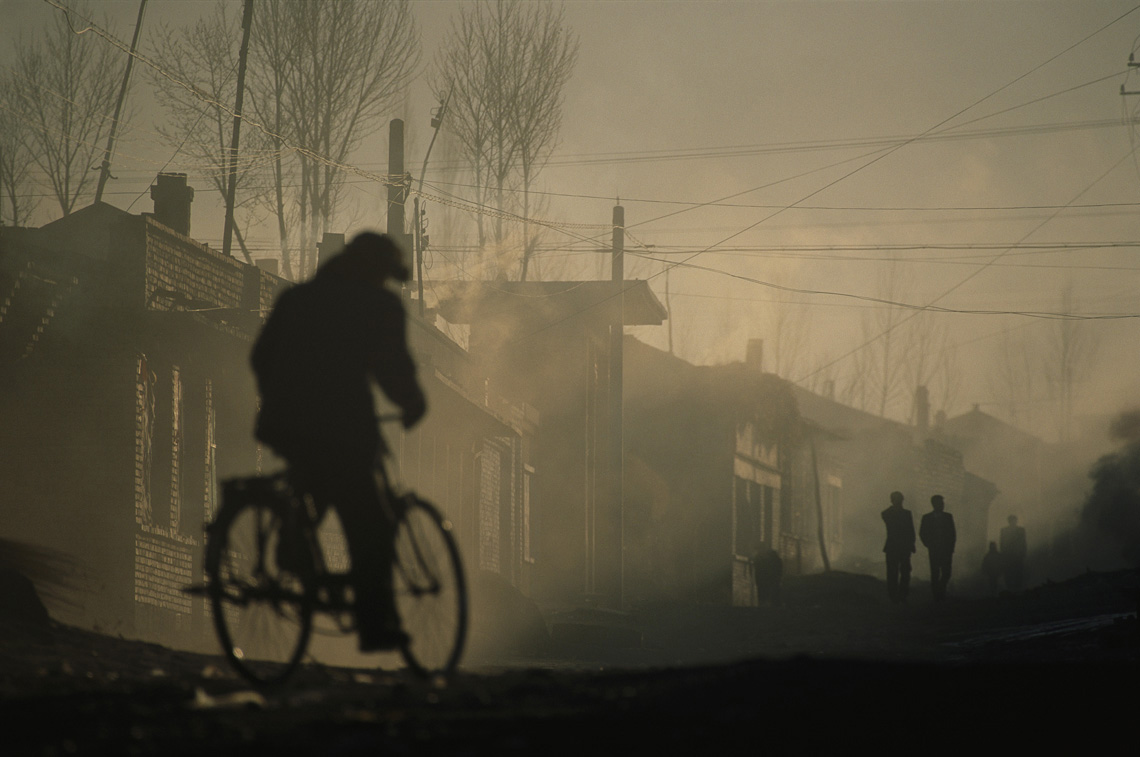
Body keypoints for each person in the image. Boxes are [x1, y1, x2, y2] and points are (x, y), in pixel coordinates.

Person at [251, 231, 427, 652]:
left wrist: (281, 401)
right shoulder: (378, 306)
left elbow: (261, 357)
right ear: (379, 271)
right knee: (372, 525)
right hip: (344, 430)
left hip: (284, 423)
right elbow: (391, 368)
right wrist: (412, 403)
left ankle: (293, 544)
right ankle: (374, 625)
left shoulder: (298, 299)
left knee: (319, 487)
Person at [919, 494, 956, 602]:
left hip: (946, 550)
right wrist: (928, 544)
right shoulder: (926, 518)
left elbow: (952, 534)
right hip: (934, 549)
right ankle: (937, 595)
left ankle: (940, 590)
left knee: (946, 573)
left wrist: (951, 548)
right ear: (934, 504)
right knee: (935, 573)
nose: (942, 505)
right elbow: (922, 533)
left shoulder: (948, 517)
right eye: (940, 503)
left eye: (942, 503)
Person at [881, 491, 916, 604]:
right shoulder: (888, 513)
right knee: (893, 572)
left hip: (902, 547)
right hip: (894, 546)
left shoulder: (905, 514)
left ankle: (902, 594)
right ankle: (894, 595)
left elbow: (911, 531)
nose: (900, 502)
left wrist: (911, 544)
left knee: (905, 572)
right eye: (897, 500)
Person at [1000, 515, 1027, 592]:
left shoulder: (1005, 530)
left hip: (1015, 555)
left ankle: (1015, 588)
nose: (1013, 522)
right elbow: (1002, 543)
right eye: (1012, 520)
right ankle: (1012, 588)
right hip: (1011, 555)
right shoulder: (1020, 530)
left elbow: (1024, 542)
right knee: (1010, 572)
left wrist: (1023, 552)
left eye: (1014, 520)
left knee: (1016, 572)